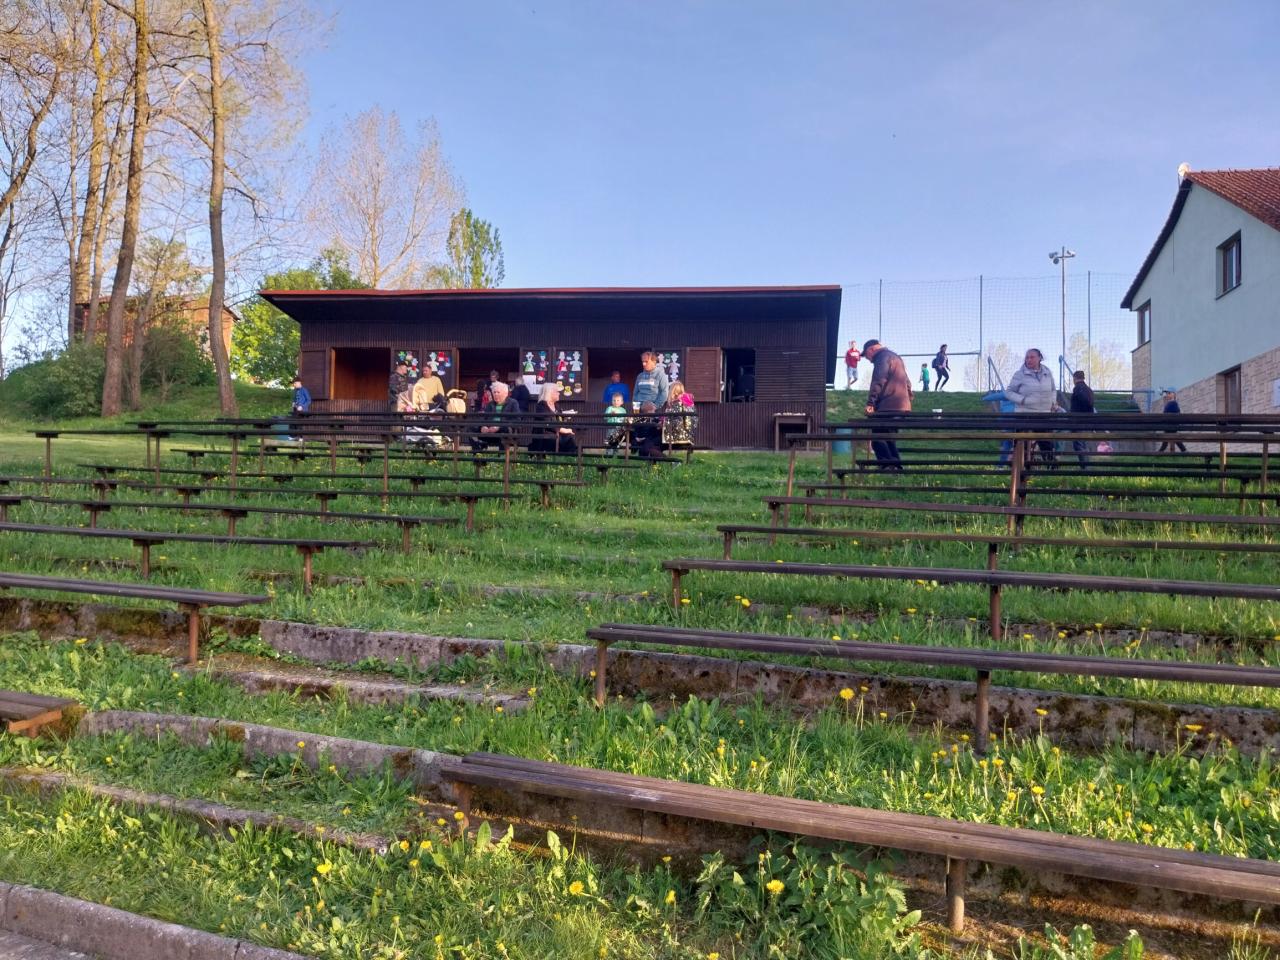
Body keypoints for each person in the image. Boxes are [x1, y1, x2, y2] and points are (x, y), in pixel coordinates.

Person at [862, 339, 912, 471]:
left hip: (888, 405)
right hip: (901, 406)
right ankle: (896, 466)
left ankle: (886, 467)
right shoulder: (896, 357)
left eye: (867, 355)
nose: (868, 359)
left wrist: (871, 403)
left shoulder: (882, 357)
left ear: (871, 349)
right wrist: (908, 400)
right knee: (889, 438)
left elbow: (879, 380)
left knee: (877, 438)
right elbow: (907, 382)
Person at [1005, 348, 1059, 464]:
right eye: (1027, 357)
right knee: (1022, 444)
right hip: (1024, 414)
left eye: (1032, 357)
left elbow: (1053, 389)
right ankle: (1020, 468)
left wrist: (1053, 402)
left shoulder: (1047, 372)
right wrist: (1022, 400)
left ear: (1039, 358)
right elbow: (1008, 392)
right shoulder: (1019, 374)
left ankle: (1051, 467)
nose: (1028, 360)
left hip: (1044, 414)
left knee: (1046, 443)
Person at [528, 383, 577, 454]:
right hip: (545, 435)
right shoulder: (541, 406)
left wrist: (565, 417)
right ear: (550, 393)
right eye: (557, 391)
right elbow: (548, 423)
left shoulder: (556, 406)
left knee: (570, 437)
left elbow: (559, 420)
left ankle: (572, 458)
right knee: (567, 437)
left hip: (556, 433)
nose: (559, 393)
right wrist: (563, 430)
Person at [472, 381, 519, 451]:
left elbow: (517, 419)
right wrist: (483, 426)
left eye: (498, 392)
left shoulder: (513, 403)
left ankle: (502, 455)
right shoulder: (490, 404)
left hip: (503, 430)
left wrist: (498, 427)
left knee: (505, 430)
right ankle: (478, 452)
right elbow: (484, 418)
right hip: (490, 430)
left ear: (505, 393)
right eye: (494, 392)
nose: (495, 394)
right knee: (471, 429)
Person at [1068, 370, 1095, 469]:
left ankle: (1085, 467)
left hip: (1078, 422)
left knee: (1079, 445)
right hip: (1088, 422)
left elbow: (1082, 403)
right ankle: (1086, 466)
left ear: (1075, 378)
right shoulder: (1089, 390)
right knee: (1083, 444)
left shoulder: (1078, 389)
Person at [661, 381, 697, 448]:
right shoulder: (686, 401)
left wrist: (662, 421)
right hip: (686, 435)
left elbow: (670, 417)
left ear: (673, 391)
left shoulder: (678, 402)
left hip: (677, 435)